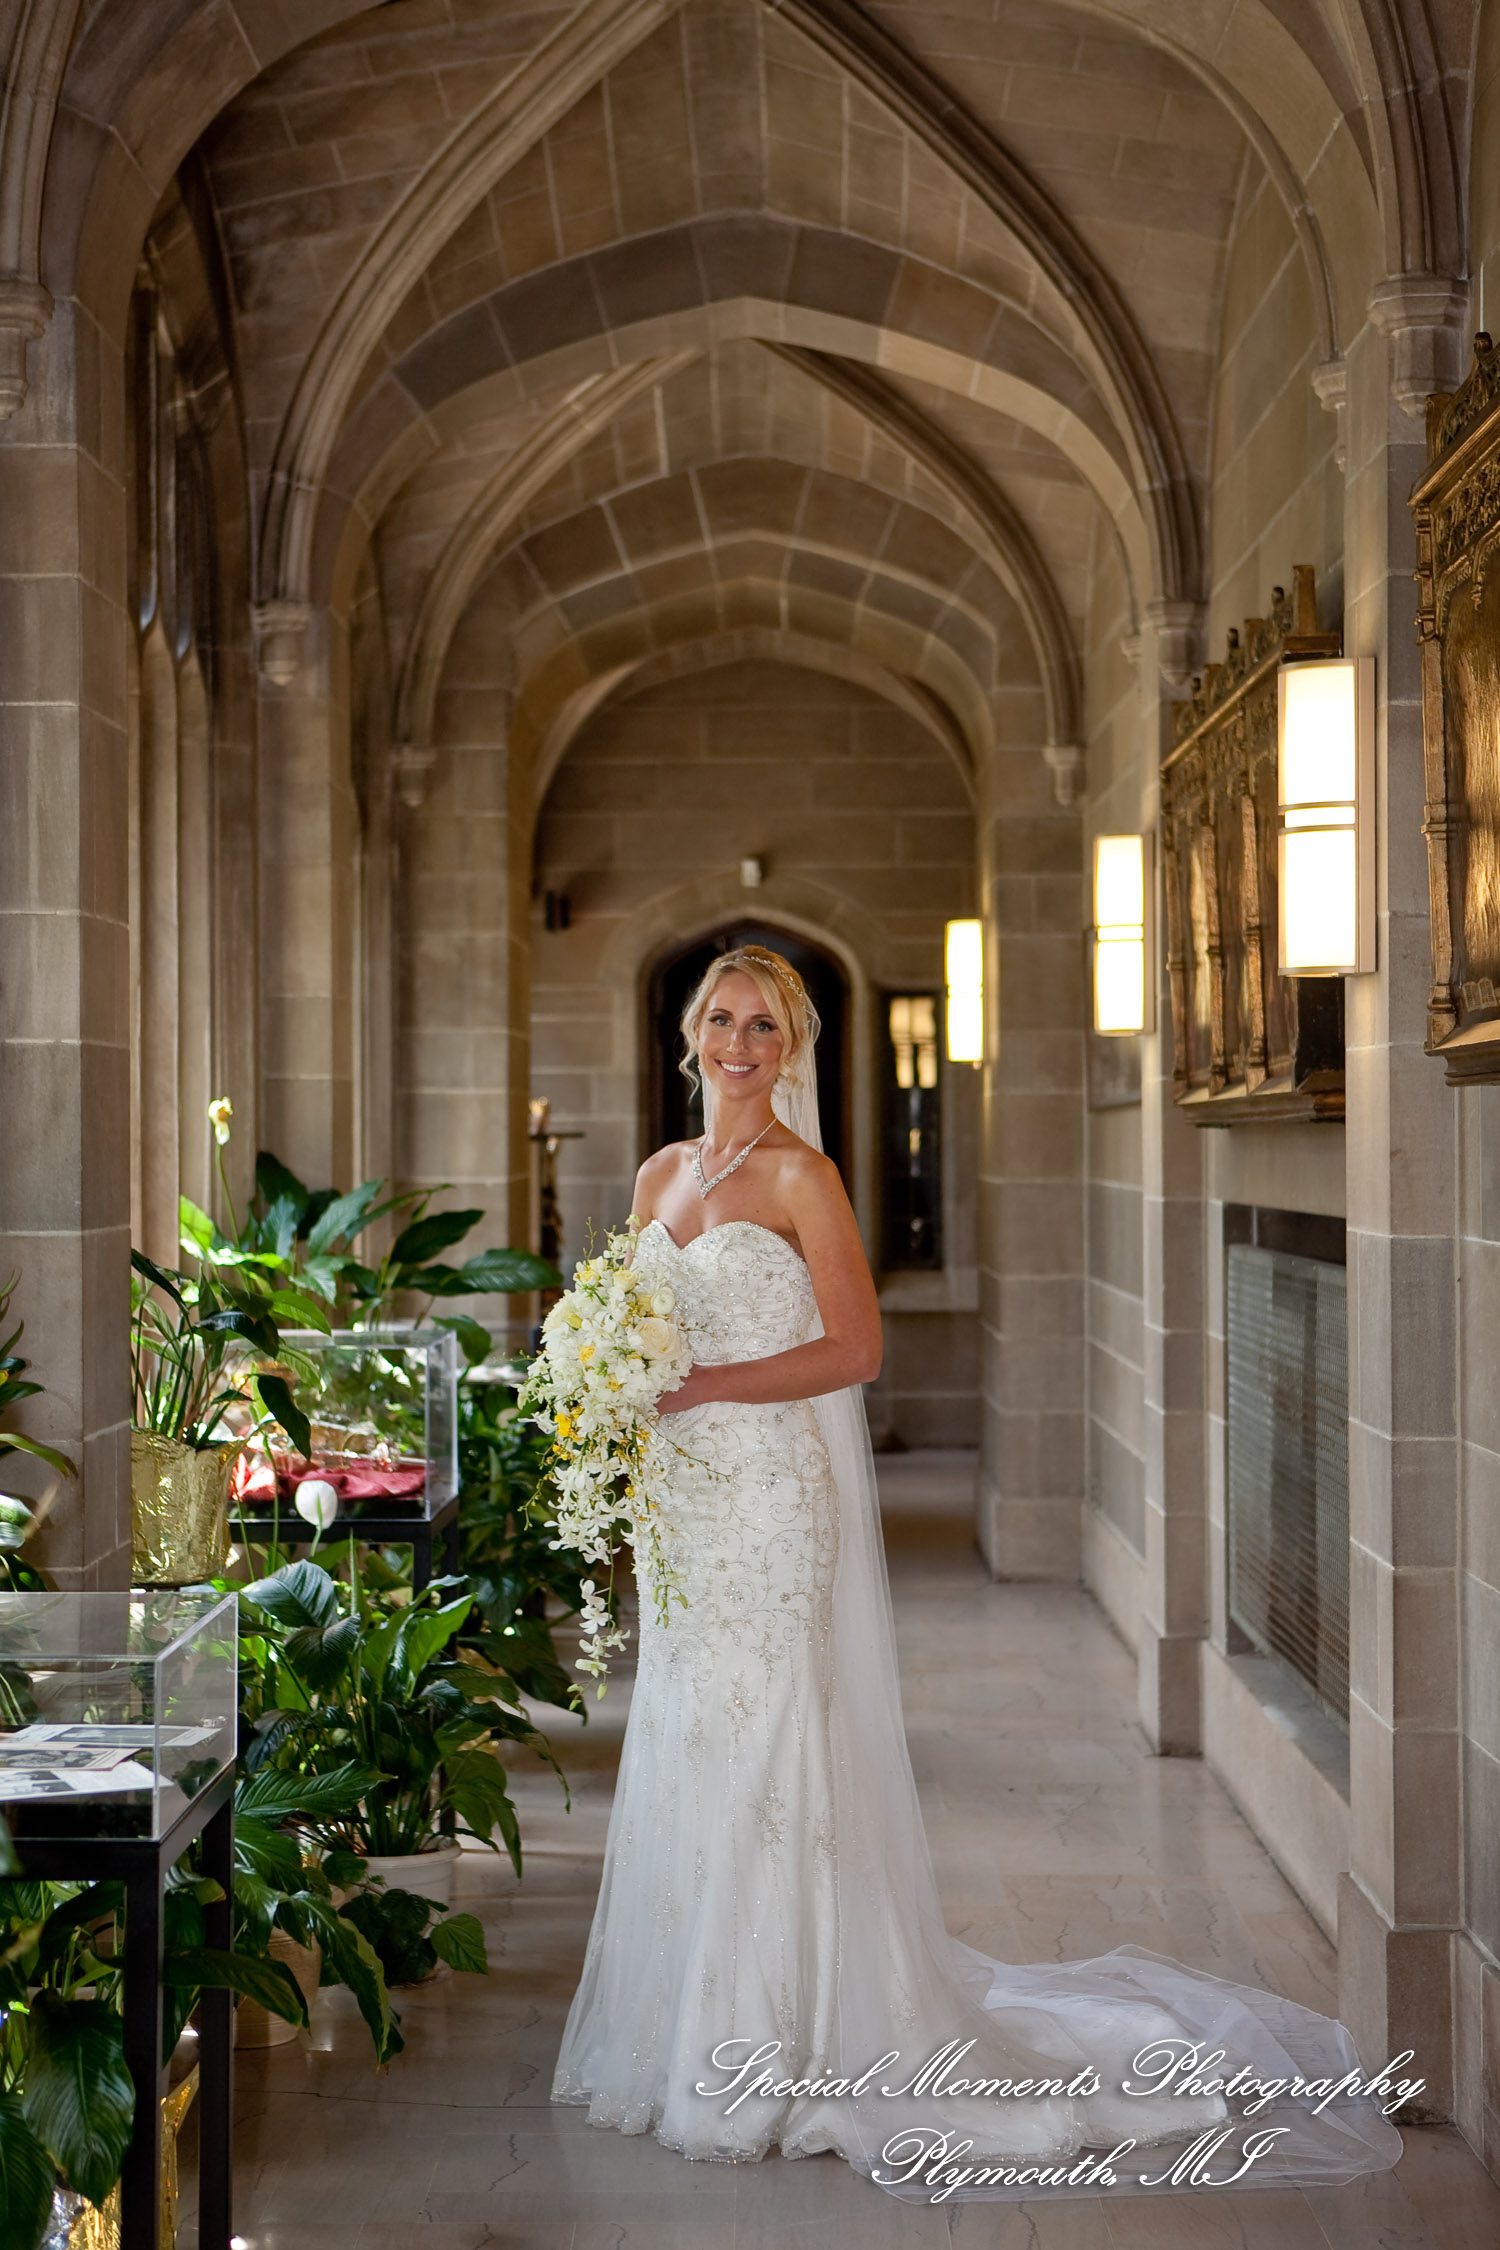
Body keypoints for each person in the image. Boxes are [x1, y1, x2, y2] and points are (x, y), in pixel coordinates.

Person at [551, 944, 1404, 2203]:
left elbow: (855, 1347)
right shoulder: (660, 1176)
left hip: (777, 1507)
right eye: (722, 1020)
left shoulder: (806, 1177)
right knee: (693, 1743)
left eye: (766, 1026)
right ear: (692, 1034)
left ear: (793, 1047)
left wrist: (706, 1386)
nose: (741, 1043)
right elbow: (629, 1323)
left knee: (779, 1741)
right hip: (688, 1515)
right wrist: (610, 1398)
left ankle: (782, 2049)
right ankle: (689, 2027)